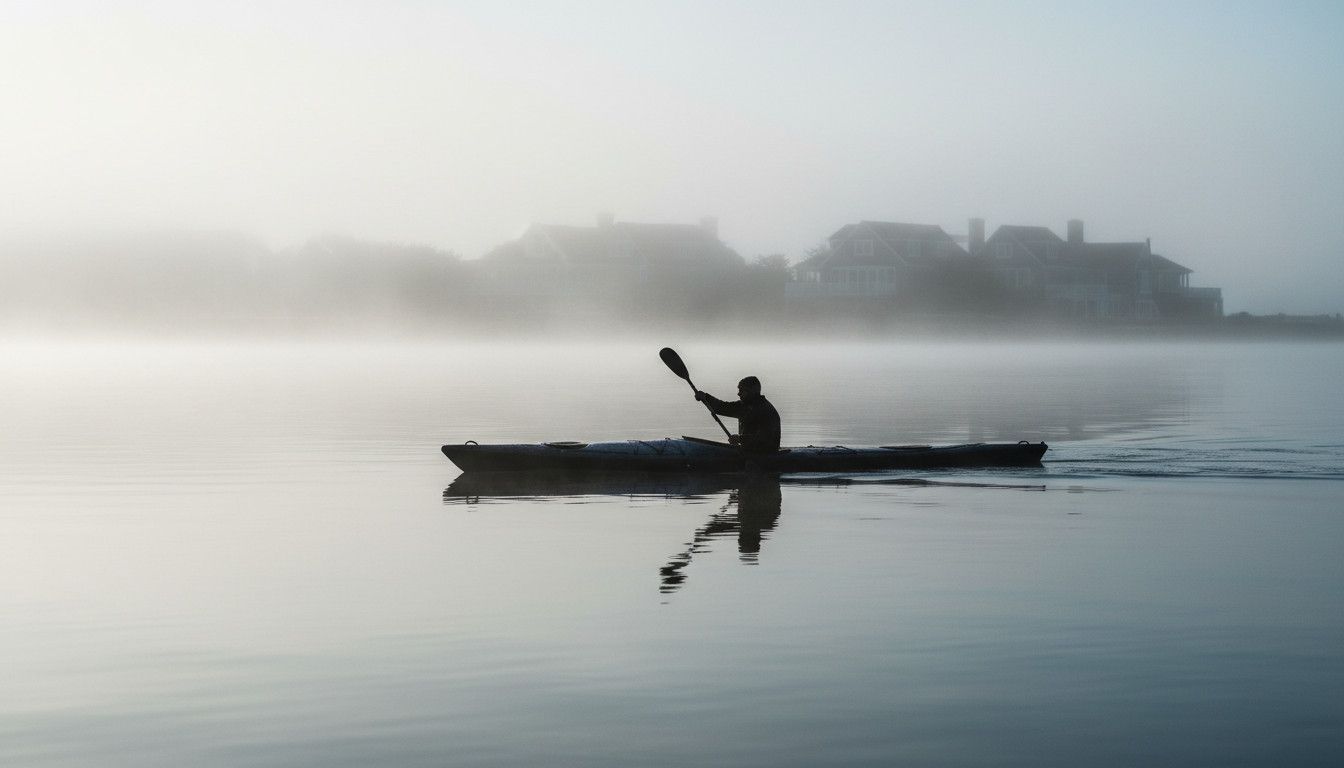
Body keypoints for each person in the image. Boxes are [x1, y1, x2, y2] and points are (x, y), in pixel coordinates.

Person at [695, 376, 781, 453]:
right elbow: (722, 407)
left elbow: (766, 438)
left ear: (752, 391)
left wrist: (740, 439)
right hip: (747, 451)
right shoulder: (743, 406)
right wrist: (705, 397)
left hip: (765, 454)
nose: (738, 394)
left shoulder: (766, 411)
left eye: (742, 391)